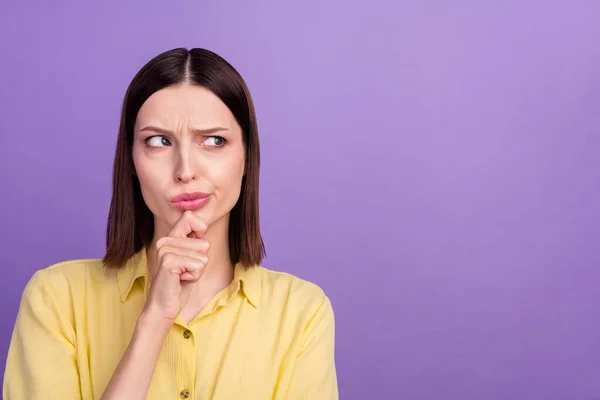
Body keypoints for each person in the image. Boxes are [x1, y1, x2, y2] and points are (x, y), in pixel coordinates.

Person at [3, 48, 338, 400]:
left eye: (214, 141)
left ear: (246, 157)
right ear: (131, 160)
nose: (185, 170)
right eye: (159, 141)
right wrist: (153, 322)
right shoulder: (55, 299)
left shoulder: (302, 311)